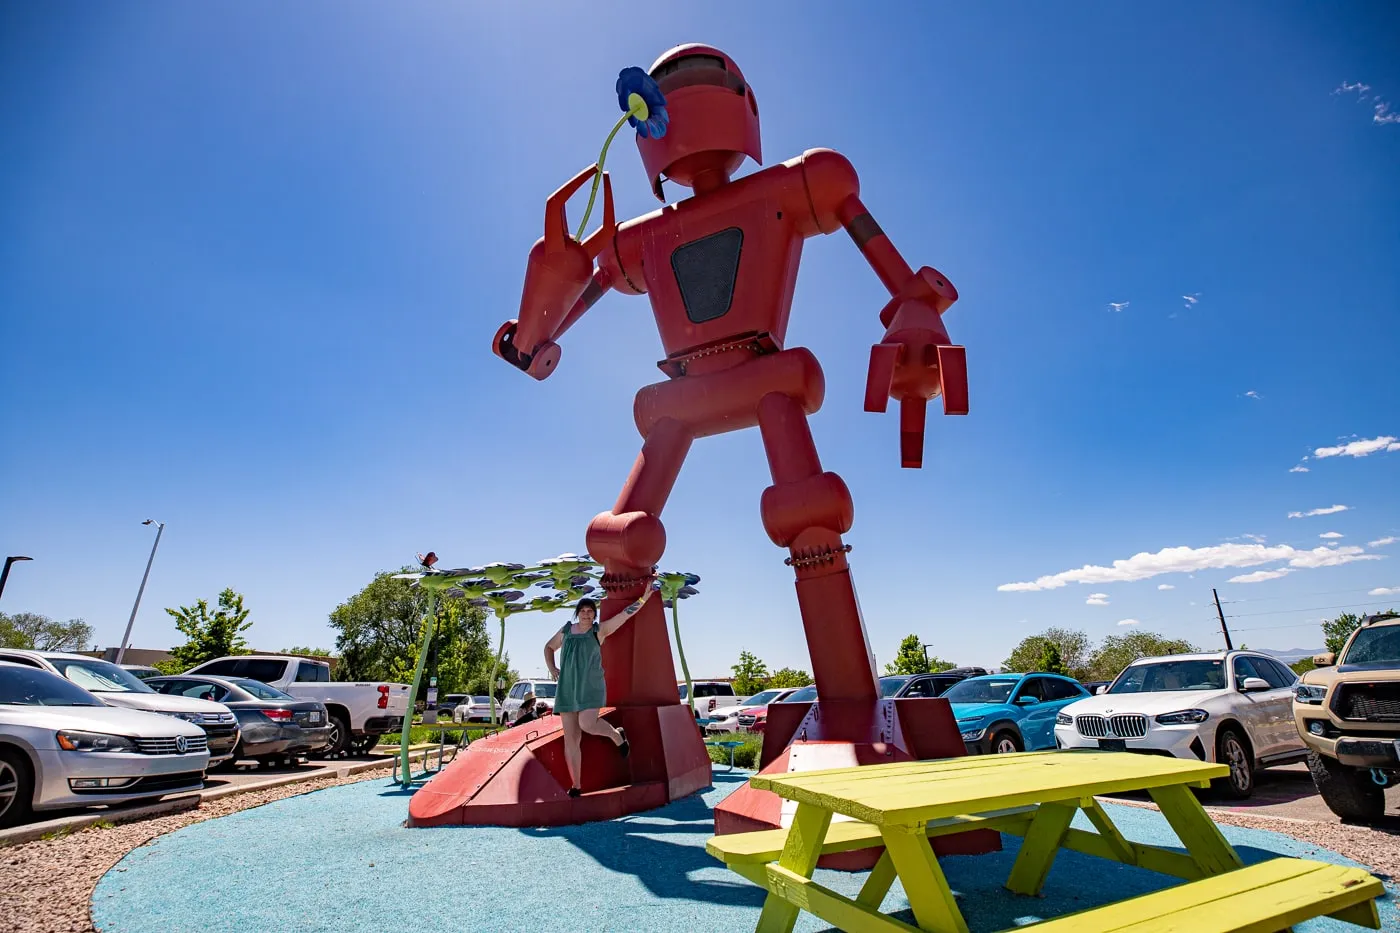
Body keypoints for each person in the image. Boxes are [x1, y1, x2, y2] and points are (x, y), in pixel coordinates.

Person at [544, 585, 656, 798]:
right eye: (583, 611)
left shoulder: (599, 631)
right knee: (571, 740)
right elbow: (548, 647)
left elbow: (624, 616)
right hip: (567, 688)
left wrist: (643, 599)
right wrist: (552, 668)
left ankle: (617, 736)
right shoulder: (566, 630)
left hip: (591, 687)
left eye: (590, 611)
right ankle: (576, 785)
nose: (586, 614)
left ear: (594, 614)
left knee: (587, 723)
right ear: (578, 613)